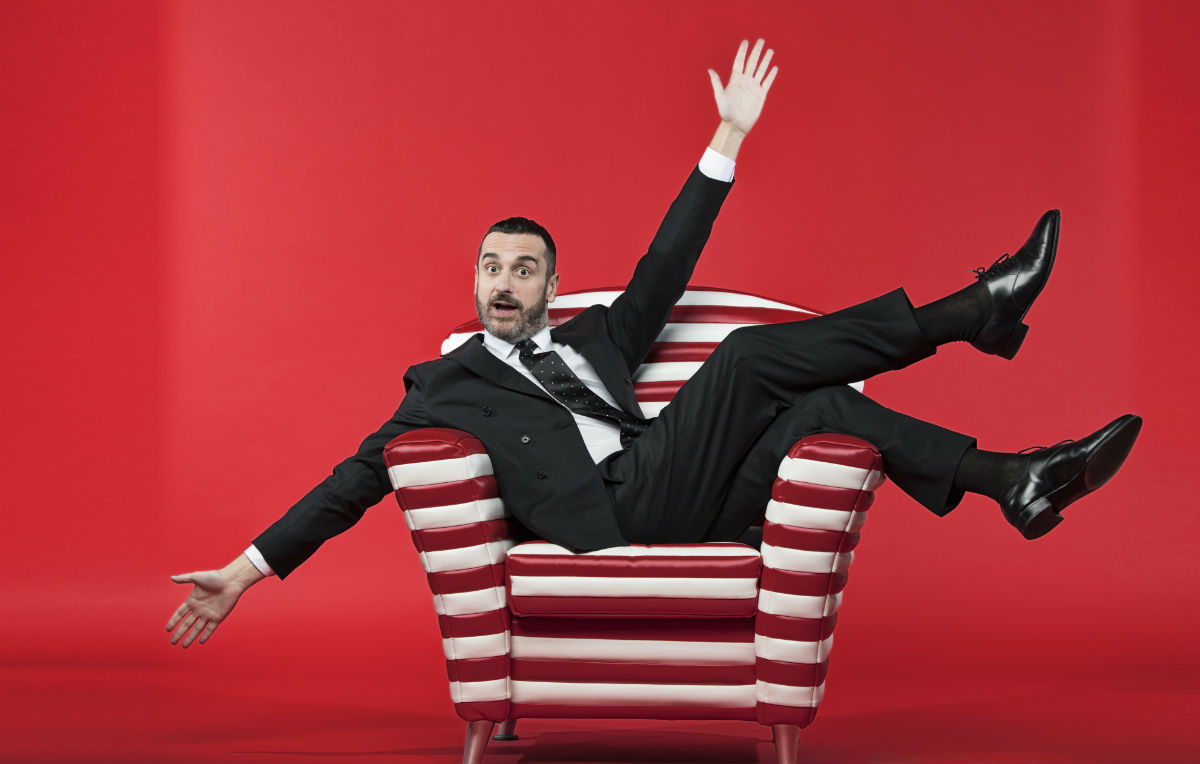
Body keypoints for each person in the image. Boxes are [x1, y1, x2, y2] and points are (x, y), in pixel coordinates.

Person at [167, 39, 1141, 649]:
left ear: (550, 287)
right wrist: (243, 573)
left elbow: (666, 264)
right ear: (476, 282)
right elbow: (350, 483)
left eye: (523, 269)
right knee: (747, 356)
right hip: (611, 515)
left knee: (818, 407)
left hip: (688, 498)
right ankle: (971, 313)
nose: (503, 282)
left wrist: (727, 136)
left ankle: (1015, 478)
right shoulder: (442, 384)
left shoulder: (601, 337)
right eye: (490, 267)